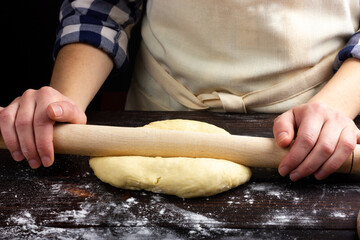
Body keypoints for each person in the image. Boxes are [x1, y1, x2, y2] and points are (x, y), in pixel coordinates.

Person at [1, 0, 359, 182]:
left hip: (318, 126)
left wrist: (332, 108)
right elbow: (104, 9)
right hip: (155, 111)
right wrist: (61, 106)